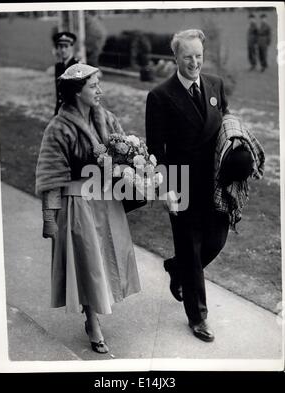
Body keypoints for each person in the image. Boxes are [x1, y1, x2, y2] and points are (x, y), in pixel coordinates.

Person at [35, 63, 141, 354]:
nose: (100, 91)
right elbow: (50, 176)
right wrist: (49, 218)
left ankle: (98, 309)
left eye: (99, 85)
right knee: (87, 266)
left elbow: (125, 153)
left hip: (106, 201)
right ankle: (91, 320)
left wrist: (135, 168)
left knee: (106, 259)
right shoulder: (58, 128)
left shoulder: (106, 119)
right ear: (76, 91)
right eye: (94, 86)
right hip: (77, 204)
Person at [146, 29, 231, 342]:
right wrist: (166, 185)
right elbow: (156, 148)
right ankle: (198, 317)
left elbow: (226, 120)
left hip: (214, 182)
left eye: (198, 55)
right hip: (180, 182)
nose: (194, 62)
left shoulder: (215, 85)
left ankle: (176, 268)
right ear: (175, 58)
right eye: (187, 57)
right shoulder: (160, 96)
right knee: (191, 250)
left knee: (217, 239)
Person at [53, 32, 79, 114]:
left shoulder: (77, 66)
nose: (63, 50)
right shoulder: (59, 66)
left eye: (66, 46)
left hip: (73, 112)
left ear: (72, 47)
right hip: (60, 110)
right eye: (60, 47)